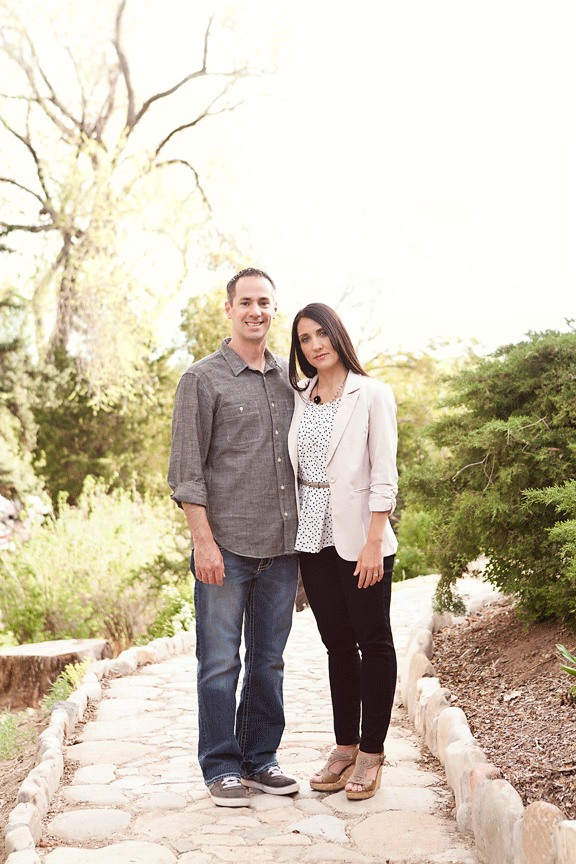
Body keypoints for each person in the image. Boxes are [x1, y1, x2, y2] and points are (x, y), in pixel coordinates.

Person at [168, 268, 300, 808]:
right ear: (228, 309)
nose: (255, 311)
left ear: (274, 309)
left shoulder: (291, 378)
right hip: (225, 548)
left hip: (283, 549)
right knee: (220, 663)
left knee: (269, 662)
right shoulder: (201, 379)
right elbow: (186, 471)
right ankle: (221, 766)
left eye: (264, 302)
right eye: (245, 302)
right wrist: (203, 542)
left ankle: (260, 759)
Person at [287, 302, 398, 800]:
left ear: (338, 334)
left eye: (322, 334)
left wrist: (374, 542)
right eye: (305, 338)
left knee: (373, 640)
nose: (315, 345)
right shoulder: (300, 397)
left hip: (361, 538)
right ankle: (344, 746)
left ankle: (371, 752)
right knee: (336, 643)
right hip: (312, 535)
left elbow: (384, 474)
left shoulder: (372, 393)